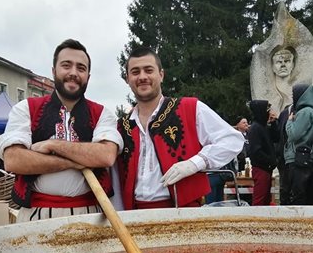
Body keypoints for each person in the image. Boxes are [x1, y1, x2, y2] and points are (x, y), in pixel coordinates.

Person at [0, 39, 123, 222]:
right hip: (36, 215)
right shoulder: (26, 108)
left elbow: (105, 156)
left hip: (91, 215)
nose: (73, 73)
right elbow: (14, 160)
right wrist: (76, 161)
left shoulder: (102, 113)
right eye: (66, 65)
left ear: (88, 75)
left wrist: (53, 144)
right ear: (54, 71)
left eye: (81, 68)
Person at [116, 47, 244, 210]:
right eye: (135, 72)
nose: (142, 77)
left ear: (161, 75)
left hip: (184, 212)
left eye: (148, 70)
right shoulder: (122, 126)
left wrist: (195, 163)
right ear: (127, 79)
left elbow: (232, 140)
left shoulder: (190, 108)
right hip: (135, 215)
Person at [285, 84, 313, 205]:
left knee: (298, 196)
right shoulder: (312, 111)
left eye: (294, 94)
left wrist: (289, 121)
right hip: (306, 157)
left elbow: (293, 135)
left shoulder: (305, 112)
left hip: (298, 159)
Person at [247, 100, 279, 205]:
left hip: (266, 168)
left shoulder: (263, 126)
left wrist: (274, 123)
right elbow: (256, 151)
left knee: (266, 199)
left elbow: (275, 138)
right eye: (267, 111)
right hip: (261, 168)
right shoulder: (255, 128)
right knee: (259, 199)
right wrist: (270, 161)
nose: (269, 113)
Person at [271, 47, 296, 112]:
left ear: (293, 65)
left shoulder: (296, 90)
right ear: (273, 67)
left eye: (287, 61)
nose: (283, 65)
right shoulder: (269, 90)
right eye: (279, 62)